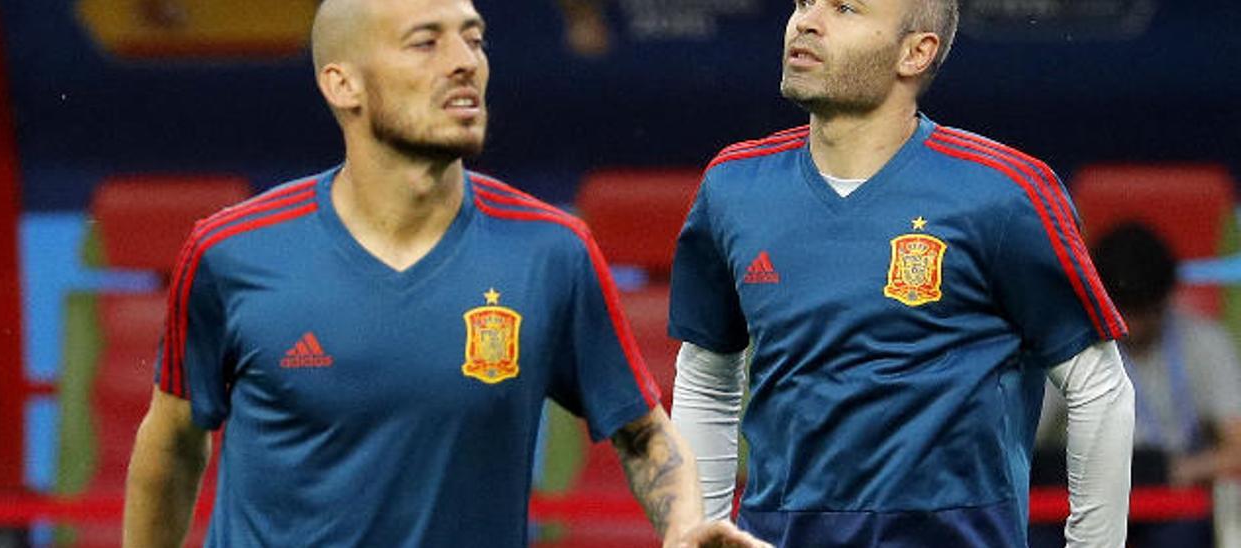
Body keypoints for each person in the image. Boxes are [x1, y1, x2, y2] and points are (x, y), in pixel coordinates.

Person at [122, 0, 767, 546]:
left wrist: (686, 524)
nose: (465, 62)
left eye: (474, 38)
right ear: (342, 83)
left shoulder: (551, 251)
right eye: (425, 43)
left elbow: (643, 435)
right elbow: (174, 446)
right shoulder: (230, 253)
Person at [667, 0, 1135, 546]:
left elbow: (1100, 389)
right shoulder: (733, 187)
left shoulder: (1004, 193)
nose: (807, 21)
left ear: (916, 52)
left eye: (845, 8)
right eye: (803, 3)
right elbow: (706, 379)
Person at [1037, 222, 1241, 546]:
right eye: (1122, 310)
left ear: (1163, 302)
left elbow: (1236, 448)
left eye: (1142, 312)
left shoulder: (1205, 343)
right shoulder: (1070, 345)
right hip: (1084, 496)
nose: (1128, 325)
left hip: (1170, 497)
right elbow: (1020, 442)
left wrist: (1177, 470)